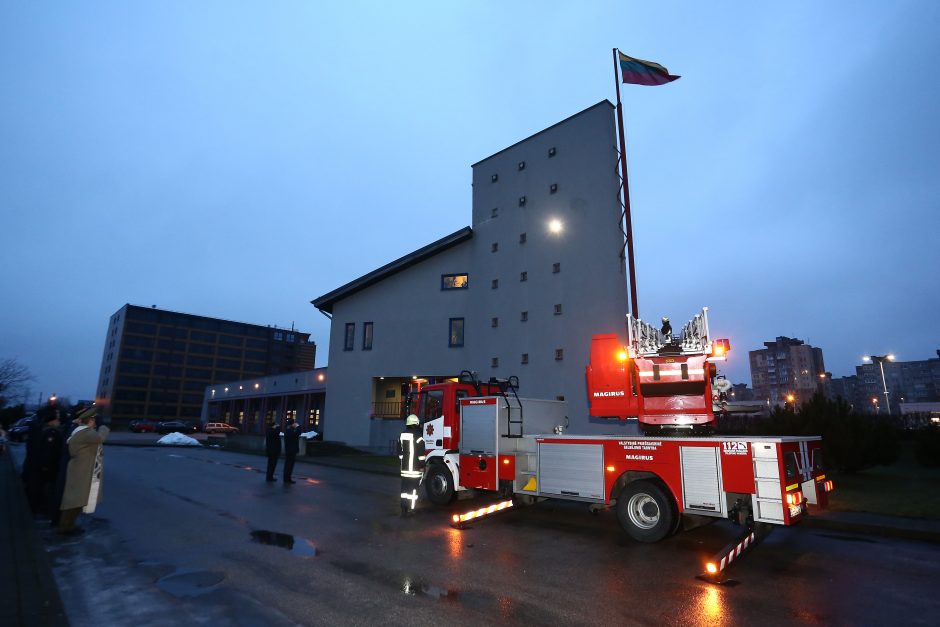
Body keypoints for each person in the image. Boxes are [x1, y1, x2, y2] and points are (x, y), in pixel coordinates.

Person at [58, 405, 110, 535]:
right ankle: (65, 527)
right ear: (90, 421)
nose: (95, 423)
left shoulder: (80, 431)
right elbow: (100, 438)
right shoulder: (85, 432)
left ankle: (68, 525)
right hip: (82, 470)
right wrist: (103, 426)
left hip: (81, 469)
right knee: (75, 500)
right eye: (94, 421)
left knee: (77, 499)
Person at [398, 414, 425, 516]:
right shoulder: (419, 437)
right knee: (413, 490)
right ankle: (411, 509)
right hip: (415, 469)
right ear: (416, 424)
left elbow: (399, 452)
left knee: (404, 490)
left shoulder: (401, 435)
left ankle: (404, 508)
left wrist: (403, 461)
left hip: (404, 469)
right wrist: (422, 466)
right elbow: (421, 455)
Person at [283, 417, 301, 484]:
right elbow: (298, 433)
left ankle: (286, 478)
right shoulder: (290, 430)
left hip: (288, 450)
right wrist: (298, 426)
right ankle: (287, 479)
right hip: (291, 450)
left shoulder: (287, 430)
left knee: (287, 465)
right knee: (289, 465)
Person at [264, 418, 281, 482]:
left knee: (270, 465)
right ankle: (270, 477)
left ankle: (269, 476)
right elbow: (277, 432)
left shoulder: (268, 431)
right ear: (273, 426)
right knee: (272, 465)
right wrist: (278, 426)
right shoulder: (273, 431)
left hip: (270, 450)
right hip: (273, 451)